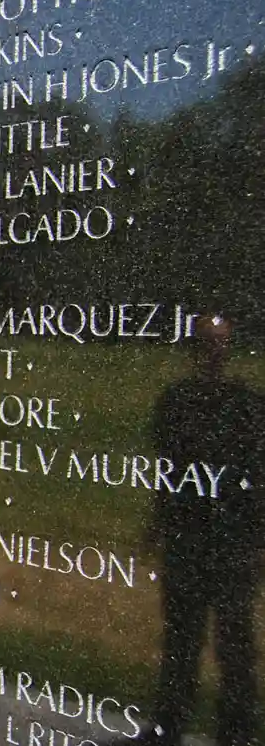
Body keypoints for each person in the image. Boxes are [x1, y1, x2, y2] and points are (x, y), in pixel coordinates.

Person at [148, 313, 264, 746]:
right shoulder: (176, 402)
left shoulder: (248, 405)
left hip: (233, 540)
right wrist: (157, 526)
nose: (214, 352)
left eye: (221, 344)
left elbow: (258, 475)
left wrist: (258, 539)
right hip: (188, 538)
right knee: (181, 635)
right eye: (206, 344)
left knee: (235, 641)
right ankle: (169, 723)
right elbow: (167, 471)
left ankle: (237, 731)